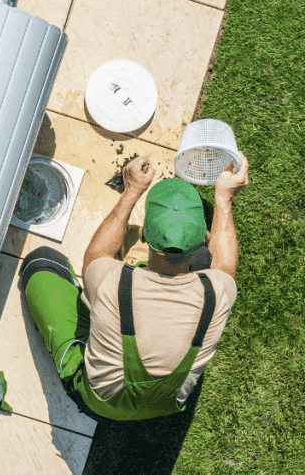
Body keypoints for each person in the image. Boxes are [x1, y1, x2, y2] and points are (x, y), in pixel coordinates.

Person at [19, 152, 249, 421]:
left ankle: (75, 367)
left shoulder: (112, 281)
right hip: (165, 404)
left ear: (142, 236)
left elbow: (98, 255)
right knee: (202, 262)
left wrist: (131, 191)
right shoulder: (218, 293)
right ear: (204, 238)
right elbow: (224, 262)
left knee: (41, 263)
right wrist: (224, 198)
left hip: (100, 404)